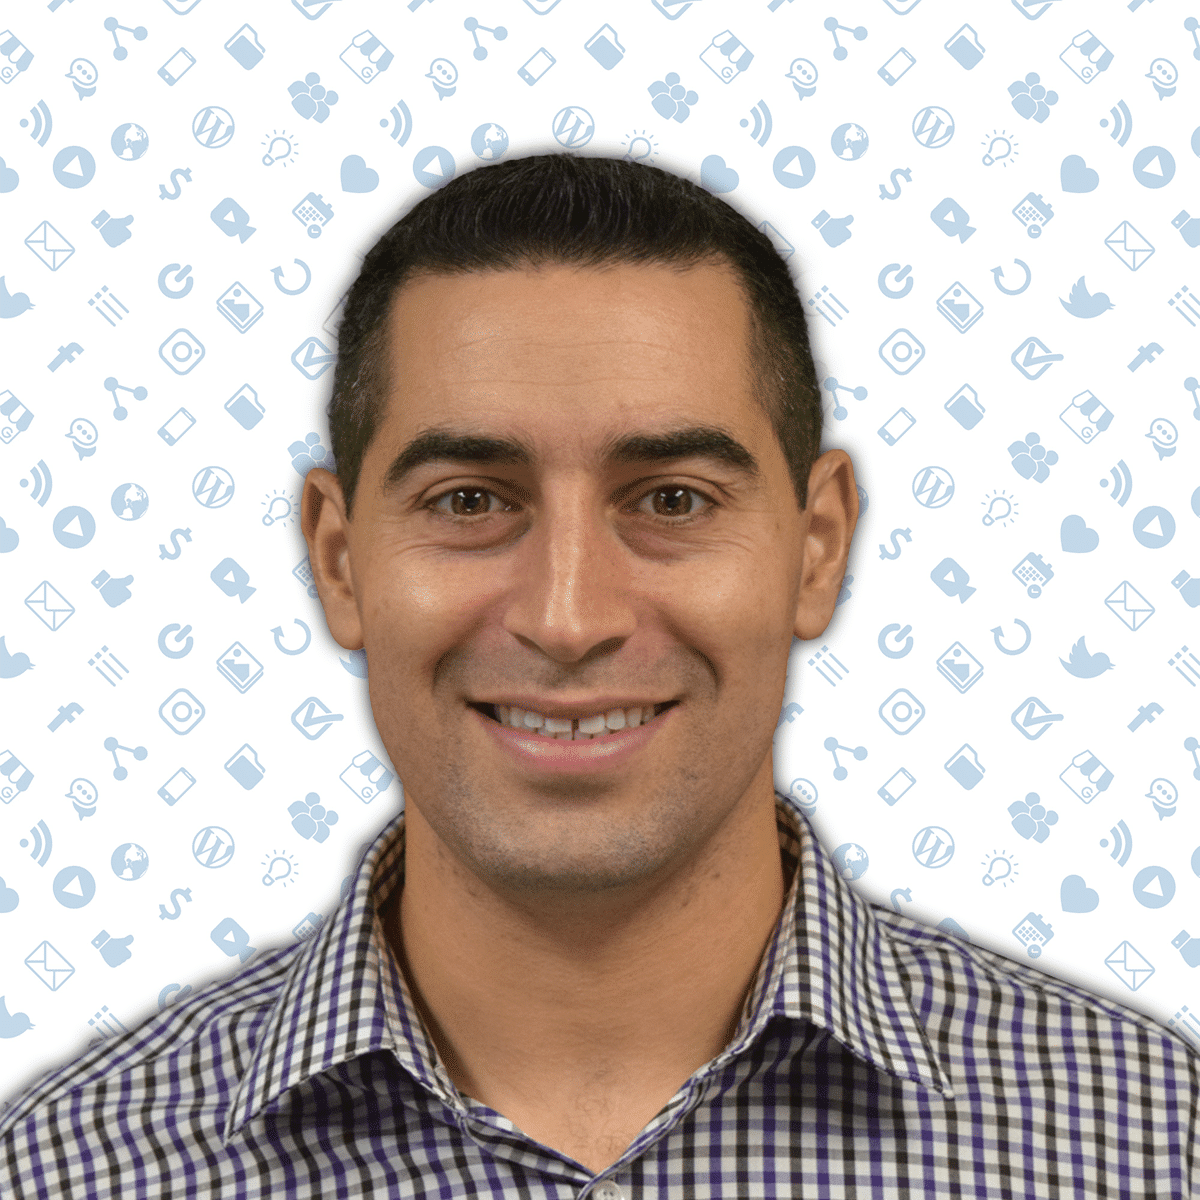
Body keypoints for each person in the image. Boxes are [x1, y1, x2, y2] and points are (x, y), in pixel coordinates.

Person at [1, 152, 1196, 1197]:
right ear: (341, 560)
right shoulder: (61, 1171)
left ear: (818, 547)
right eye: (468, 502)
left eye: (672, 500)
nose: (568, 618)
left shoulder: (1154, 1142)